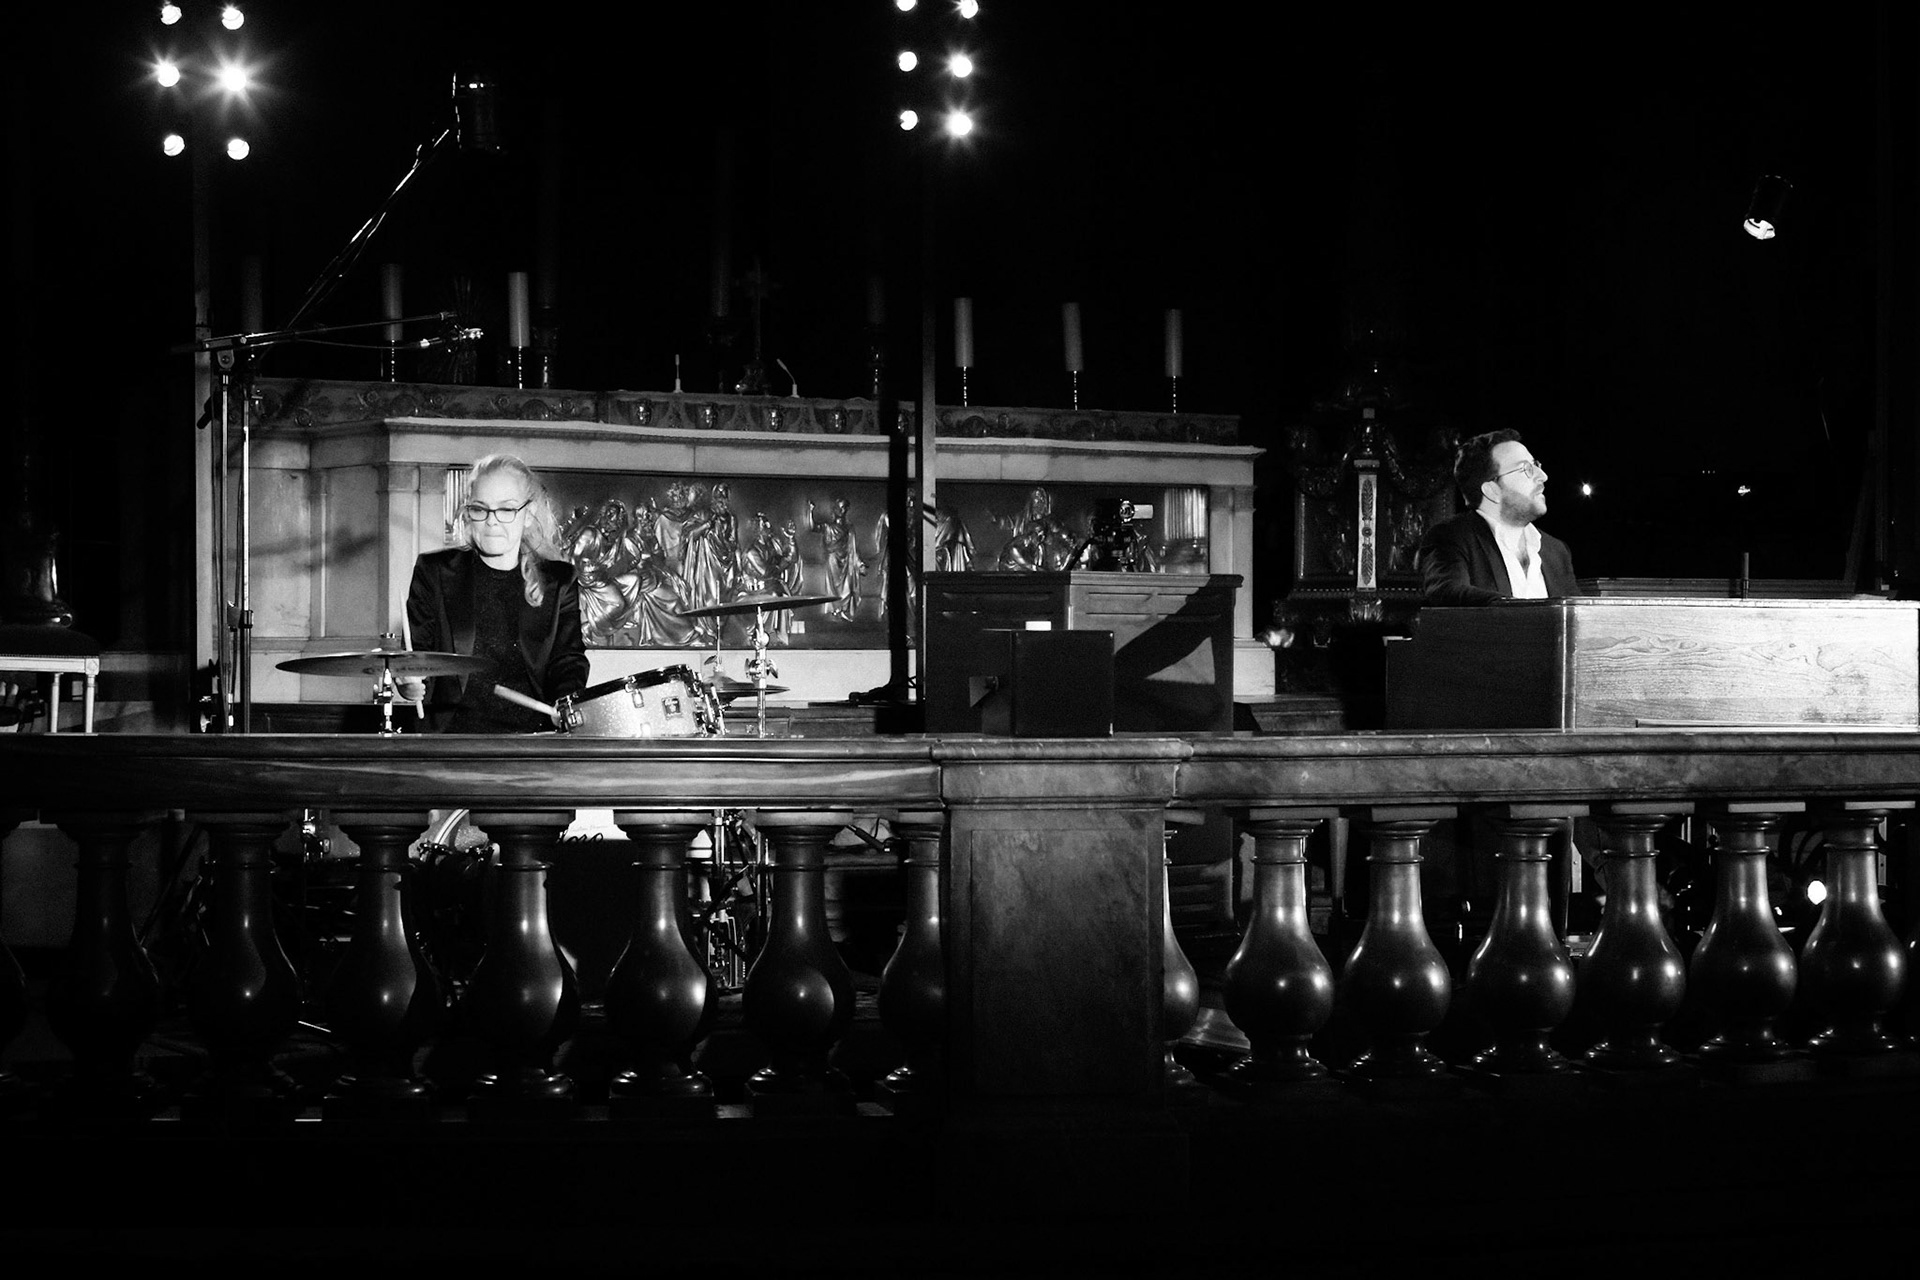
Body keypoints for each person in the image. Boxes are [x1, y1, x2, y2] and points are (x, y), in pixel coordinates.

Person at [398, 454, 589, 732]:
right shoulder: (434, 572)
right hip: (451, 742)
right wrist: (409, 681)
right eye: (480, 509)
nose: (492, 521)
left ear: (528, 514)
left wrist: (565, 702)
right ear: (468, 513)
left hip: (534, 739)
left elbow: (568, 661)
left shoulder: (559, 581)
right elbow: (416, 657)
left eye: (507, 509)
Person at [1417, 429, 1579, 604]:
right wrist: (1514, 609)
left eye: (1536, 465)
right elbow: (1448, 591)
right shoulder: (1451, 538)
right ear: (1492, 491)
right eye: (1526, 468)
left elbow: (1579, 618)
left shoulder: (1556, 551)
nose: (1543, 476)